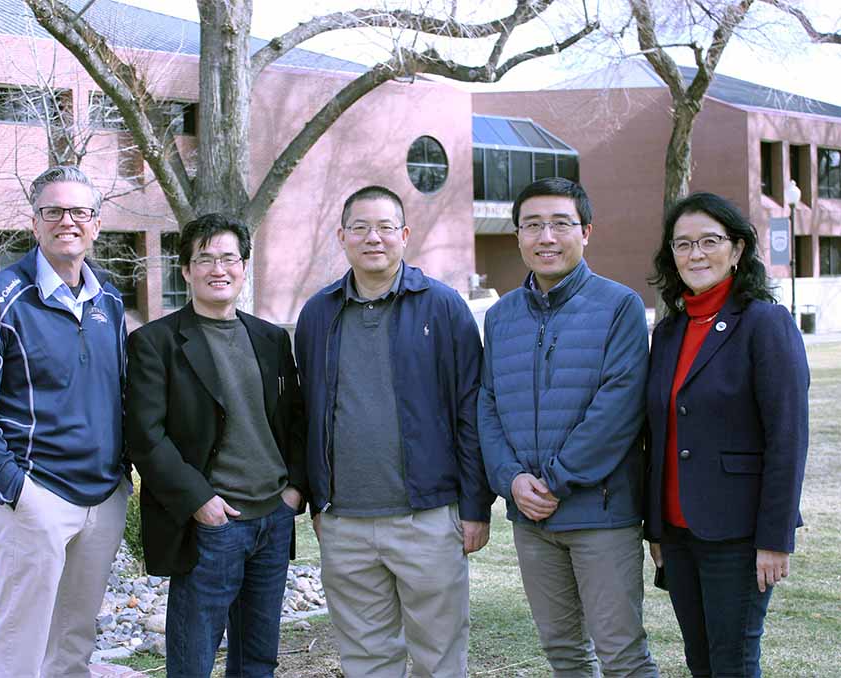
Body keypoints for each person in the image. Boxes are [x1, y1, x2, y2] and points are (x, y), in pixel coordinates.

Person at [294, 185, 494, 677]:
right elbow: (307, 413)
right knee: (365, 659)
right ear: (341, 237)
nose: (373, 238)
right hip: (344, 522)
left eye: (385, 227)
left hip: (427, 517)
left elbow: (470, 411)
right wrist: (318, 500)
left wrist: (475, 507)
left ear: (404, 235)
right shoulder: (318, 313)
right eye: (359, 227)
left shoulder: (443, 308)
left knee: (439, 657)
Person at [0, 165, 130, 677]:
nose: (66, 221)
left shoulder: (109, 300)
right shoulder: (0, 297)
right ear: (35, 223)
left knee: (74, 642)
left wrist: (122, 484)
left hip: (102, 499)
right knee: (21, 644)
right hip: (37, 497)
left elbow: (121, 394)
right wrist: (15, 489)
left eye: (79, 212)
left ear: (95, 224)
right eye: (53, 211)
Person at [478, 178, 659, 677]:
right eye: (533, 225)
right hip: (531, 519)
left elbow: (619, 406)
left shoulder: (618, 306)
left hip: (600, 511)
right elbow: (488, 404)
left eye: (561, 224)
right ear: (517, 236)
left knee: (622, 653)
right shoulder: (500, 317)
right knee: (563, 653)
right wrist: (512, 481)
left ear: (587, 231)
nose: (546, 237)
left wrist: (555, 481)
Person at [124, 213, 305, 678]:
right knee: (192, 658)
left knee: (258, 657)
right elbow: (146, 436)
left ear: (244, 266)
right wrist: (200, 502)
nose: (217, 269)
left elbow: (295, 421)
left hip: (273, 517)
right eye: (204, 259)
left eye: (228, 258)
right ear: (185, 270)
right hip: (212, 524)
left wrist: (293, 493)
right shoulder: (155, 343)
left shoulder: (270, 339)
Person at [645, 192, 809, 677]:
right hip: (676, 535)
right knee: (700, 662)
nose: (695, 254)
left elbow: (788, 439)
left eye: (709, 241)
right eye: (682, 244)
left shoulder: (765, 324)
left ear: (737, 249)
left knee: (733, 663)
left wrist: (775, 539)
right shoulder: (669, 330)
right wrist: (655, 527)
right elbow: (658, 433)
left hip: (738, 535)